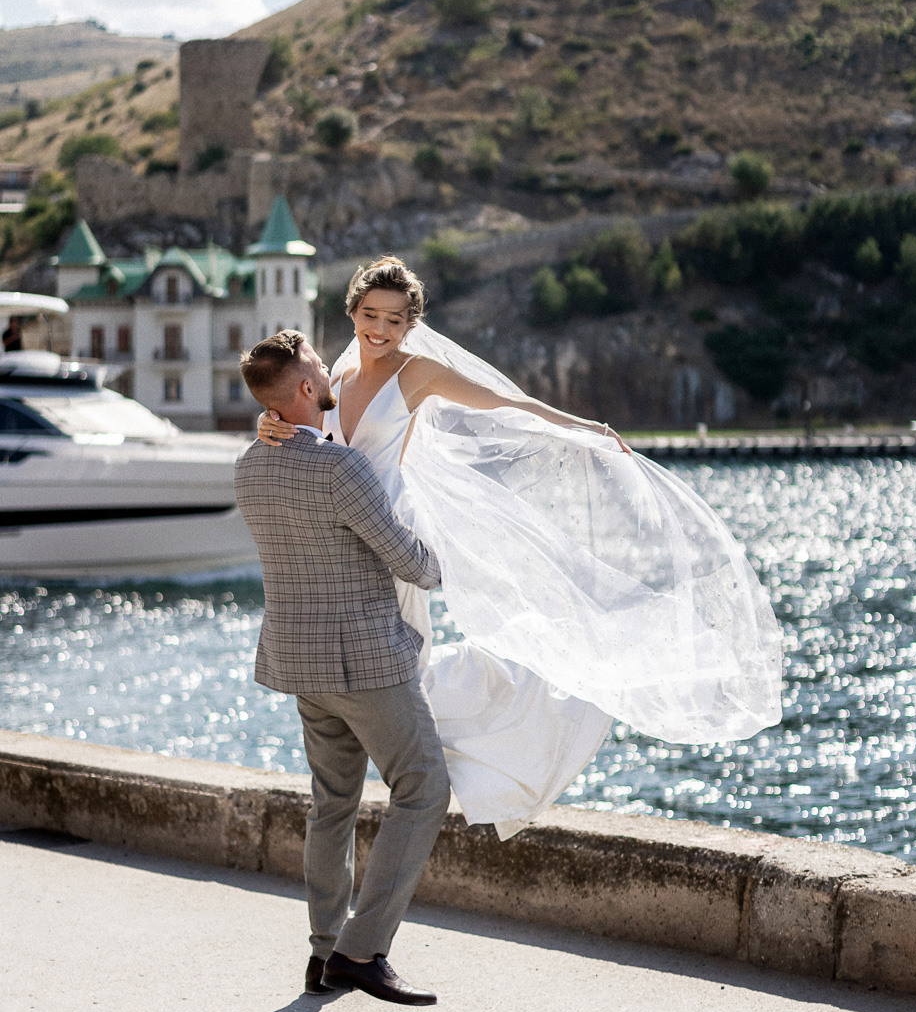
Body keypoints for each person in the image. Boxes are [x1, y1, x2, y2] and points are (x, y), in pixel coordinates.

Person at [257, 258, 784, 839]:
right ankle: (412, 761)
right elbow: (303, 417)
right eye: (370, 315)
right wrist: (268, 422)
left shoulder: (419, 372)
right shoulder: (338, 371)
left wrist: (580, 427)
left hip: (395, 538)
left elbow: (505, 404)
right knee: (387, 672)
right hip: (344, 539)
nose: (379, 329)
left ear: (411, 324)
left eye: (394, 320)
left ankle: (488, 758)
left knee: (404, 668)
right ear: (353, 311)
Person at [235, 330, 451, 1007]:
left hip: (301, 665)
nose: (332, 370)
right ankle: (361, 950)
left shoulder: (248, 466)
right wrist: (444, 550)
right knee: (424, 787)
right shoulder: (342, 468)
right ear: (306, 388)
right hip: (364, 663)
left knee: (332, 806)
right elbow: (412, 564)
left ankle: (323, 951)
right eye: (320, 366)